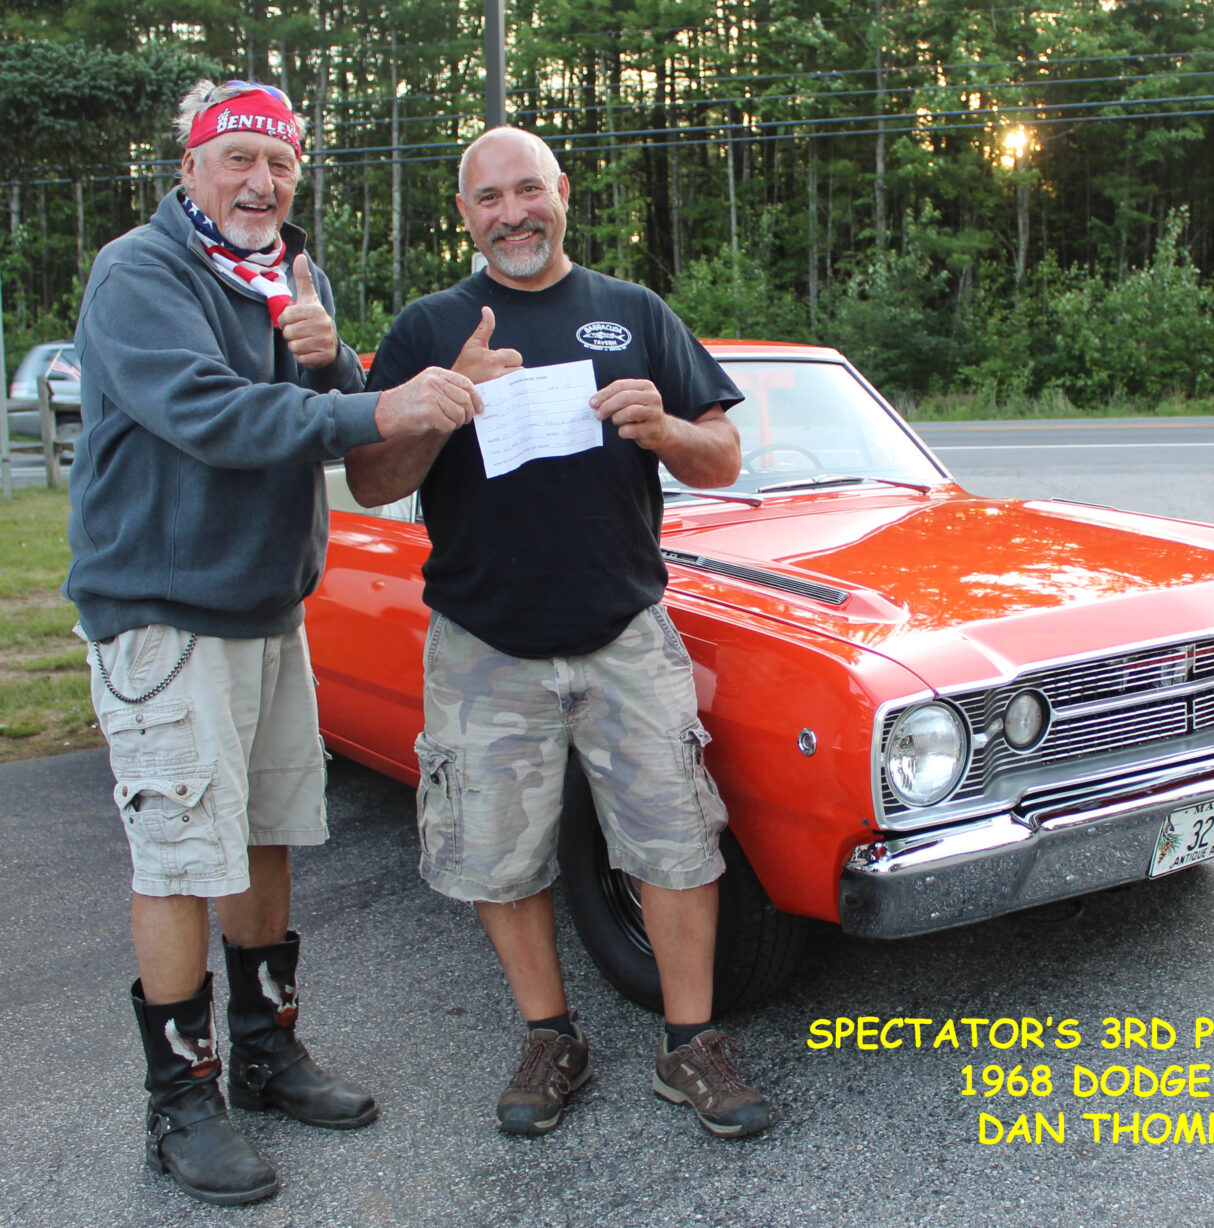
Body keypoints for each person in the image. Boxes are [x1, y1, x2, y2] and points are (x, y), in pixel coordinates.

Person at [66, 79, 481, 1206]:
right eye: (238, 160)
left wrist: (337, 361)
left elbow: (330, 420)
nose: (261, 183)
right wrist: (379, 403)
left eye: (281, 164)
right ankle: (179, 1100)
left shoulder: (293, 277)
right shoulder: (140, 273)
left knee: (263, 839)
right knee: (177, 861)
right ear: (191, 168)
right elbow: (212, 415)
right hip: (163, 616)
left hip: (266, 609)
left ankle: (264, 1050)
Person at [345, 126, 772, 1140]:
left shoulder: (634, 312)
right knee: (498, 857)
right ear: (465, 215)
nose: (513, 213)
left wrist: (666, 428)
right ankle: (550, 1035)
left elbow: (722, 456)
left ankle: (690, 1043)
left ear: (563, 192)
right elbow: (368, 481)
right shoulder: (429, 325)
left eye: (527, 189)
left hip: (625, 633)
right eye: (489, 198)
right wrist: (442, 402)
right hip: (483, 644)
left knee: (676, 841)